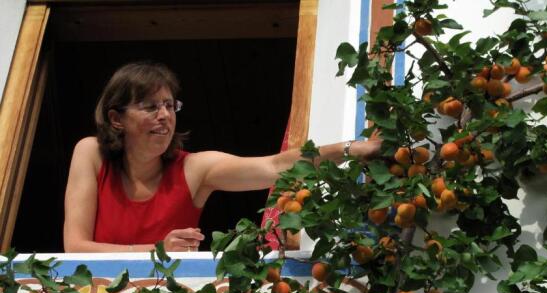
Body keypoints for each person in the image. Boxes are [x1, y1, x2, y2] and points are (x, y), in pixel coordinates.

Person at [63, 61, 380, 253]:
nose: (164, 115)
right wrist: (158, 250)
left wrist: (350, 149)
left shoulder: (194, 169)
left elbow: (276, 165)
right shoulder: (91, 153)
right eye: (150, 106)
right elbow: (74, 247)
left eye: (170, 106)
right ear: (116, 119)